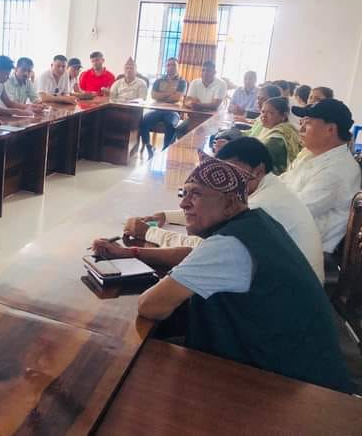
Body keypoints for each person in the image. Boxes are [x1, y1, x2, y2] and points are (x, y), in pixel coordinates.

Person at [96, 153, 353, 393]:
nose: (184, 203)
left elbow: (151, 306)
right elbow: (193, 255)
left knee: (128, 370)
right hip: (302, 363)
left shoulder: (229, 246)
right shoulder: (256, 223)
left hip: (291, 384)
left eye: (196, 194)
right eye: (184, 193)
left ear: (229, 203)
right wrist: (131, 253)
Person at [109, 138, 325, 283]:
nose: (224, 178)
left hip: (281, 301)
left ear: (258, 171)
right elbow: (216, 212)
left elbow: (201, 250)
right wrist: (165, 216)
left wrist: (149, 232)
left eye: (231, 170)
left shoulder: (261, 207)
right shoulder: (266, 189)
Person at [283, 99, 361, 253]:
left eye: (308, 123)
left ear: (330, 129)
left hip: (303, 251)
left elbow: (294, 212)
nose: (301, 128)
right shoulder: (310, 154)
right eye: (302, 122)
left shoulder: (338, 169)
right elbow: (280, 184)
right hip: (287, 236)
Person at [138, 57, 187, 156]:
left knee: (171, 124)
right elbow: (153, 95)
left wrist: (161, 96)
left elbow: (177, 97)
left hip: (173, 111)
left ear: (178, 67)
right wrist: (170, 93)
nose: (171, 67)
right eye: (168, 65)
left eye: (173, 65)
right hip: (157, 110)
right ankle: (149, 146)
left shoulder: (182, 82)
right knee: (144, 120)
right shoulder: (159, 80)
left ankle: (166, 150)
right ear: (165, 67)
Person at [250, 96, 302, 175]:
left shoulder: (276, 139)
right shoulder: (284, 128)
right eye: (263, 112)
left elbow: (255, 162)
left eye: (270, 113)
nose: (264, 116)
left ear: (283, 116)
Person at [176, 61, 227, 136]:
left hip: (213, 118)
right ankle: (187, 144)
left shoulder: (221, 84)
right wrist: (191, 104)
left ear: (214, 72)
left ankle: (199, 144)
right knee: (179, 130)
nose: (205, 73)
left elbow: (215, 105)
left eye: (208, 71)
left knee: (201, 133)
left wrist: (198, 105)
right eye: (203, 70)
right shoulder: (195, 82)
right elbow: (187, 101)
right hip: (197, 116)